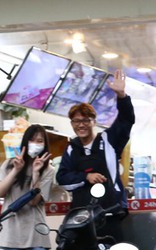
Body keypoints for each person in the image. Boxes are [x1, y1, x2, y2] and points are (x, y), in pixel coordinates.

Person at [56, 69, 136, 236]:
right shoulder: (72, 147)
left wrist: (122, 96)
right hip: (81, 216)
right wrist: (85, 177)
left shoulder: (109, 140)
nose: (81, 125)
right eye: (76, 121)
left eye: (86, 120)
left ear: (94, 121)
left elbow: (126, 120)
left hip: (111, 210)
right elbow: (62, 178)